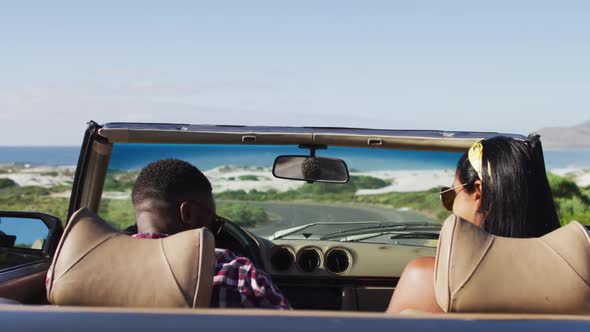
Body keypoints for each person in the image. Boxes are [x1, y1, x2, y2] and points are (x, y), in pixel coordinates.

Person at [386, 135, 561, 313]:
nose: (450, 206)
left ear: (478, 193)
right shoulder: (573, 280)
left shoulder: (427, 279)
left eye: (451, 194)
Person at [131, 158, 290, 309]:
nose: (214, 230)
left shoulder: (106, 264)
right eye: (213, 222)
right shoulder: (237, 272)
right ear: (188, 214)